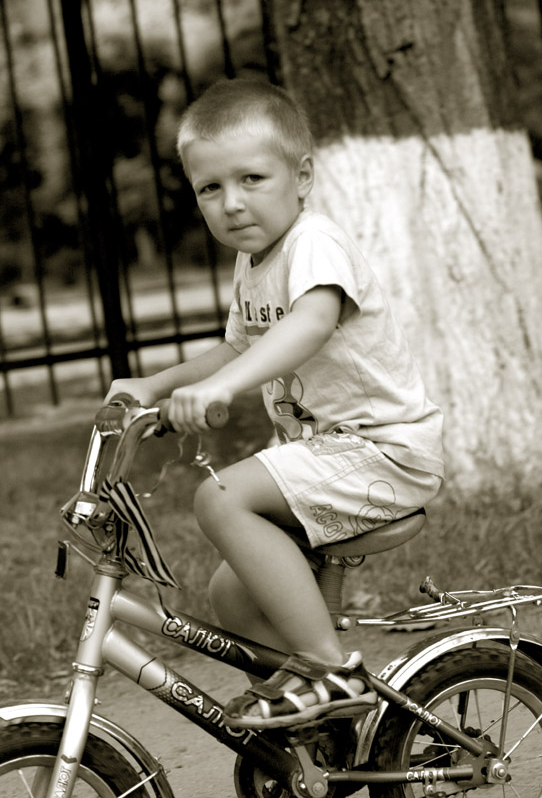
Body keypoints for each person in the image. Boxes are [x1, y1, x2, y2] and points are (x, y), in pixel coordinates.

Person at [106, 77, 444, 730]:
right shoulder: (255, 260)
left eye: (251, 178)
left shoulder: (314, 242)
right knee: (232, 592)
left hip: (385, 452)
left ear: (302, 174)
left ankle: (327, 671)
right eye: (210, 187)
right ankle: (334, 728)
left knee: (220, 497)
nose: (230, 203)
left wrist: (220, 392)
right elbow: (235, 350)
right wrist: (153, 387)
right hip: (328, 455)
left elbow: (309, 325)